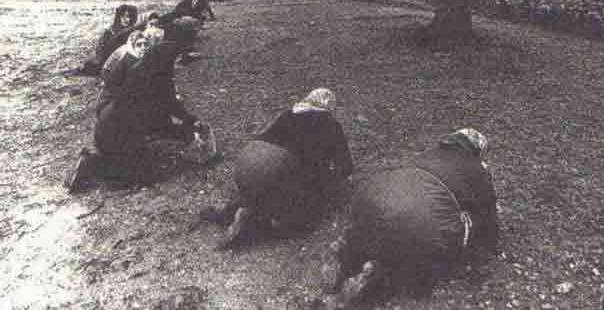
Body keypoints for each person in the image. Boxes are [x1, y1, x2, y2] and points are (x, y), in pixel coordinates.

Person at [320, 128, 499, 307]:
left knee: (378, 226)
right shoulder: (477, 169)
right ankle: (380, 277)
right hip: (419, 217)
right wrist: (485, 246)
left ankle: (349, 257)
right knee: (429, 239)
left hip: (374, 194)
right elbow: (488, 213)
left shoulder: (430, 153)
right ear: (478, 150)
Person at [64, 18, 217, 193]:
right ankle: (92, 164)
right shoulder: (156, 80)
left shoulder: (140, 71)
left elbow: (161, 112)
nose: (175, 64)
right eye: (174, 61)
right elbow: (167, 110)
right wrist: (190, 124)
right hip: (115, 135)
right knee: (146, 175)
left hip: (108, 126)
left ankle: (100, 160)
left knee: (148, 152)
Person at [202, 88, 353, 249]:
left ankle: (232, 209)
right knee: (305, 218)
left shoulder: (290, 113)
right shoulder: (330, 124)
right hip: (276, 166)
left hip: (248, 157)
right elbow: (345, 167)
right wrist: (330, 181)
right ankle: (255, 222)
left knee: (263, 188)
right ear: (329, 107)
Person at [66, 4, 138, 77]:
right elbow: (100, 49)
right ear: (119, 17)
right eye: (123, 16)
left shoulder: (134, 32)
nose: (127, 20)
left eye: (130, 17)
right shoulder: (111, 31)